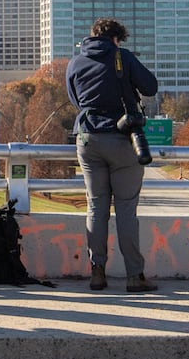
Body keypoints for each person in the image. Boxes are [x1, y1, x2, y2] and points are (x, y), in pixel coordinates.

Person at [65, 17, 159, 293]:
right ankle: (134, 276)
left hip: (89, 139)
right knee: (126, 209)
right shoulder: (123, 57)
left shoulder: (75, 62)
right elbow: (150, 87)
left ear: (93, 36)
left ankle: (97, 272)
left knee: (96, 207)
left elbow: (76, 101)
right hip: (122, 140)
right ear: (116, 39)